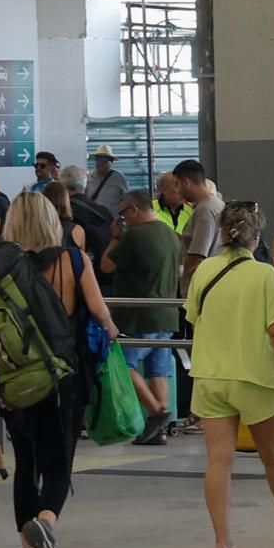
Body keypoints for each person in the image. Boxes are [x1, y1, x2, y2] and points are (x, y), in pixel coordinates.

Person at [183, 201, 274, 548]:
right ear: (256, 238)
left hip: (210, 376)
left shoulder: (203, 270)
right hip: (257, 378)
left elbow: (194, 318)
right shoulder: (265, 275)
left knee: (219, 460)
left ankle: (222, 542)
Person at [0, 191, 118, 548]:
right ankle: (47, 522)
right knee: (59, 461)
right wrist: (112, 333)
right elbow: (99, 312)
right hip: (63, 376)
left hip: (15, 378)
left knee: (26, 464)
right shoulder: (73, 259)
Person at [101, 190, 183, 445]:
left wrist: (116, 237)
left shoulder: (134, 236)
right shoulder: (171, 234)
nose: (122, 219)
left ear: (134, 209)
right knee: (158, 370)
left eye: (123, 214)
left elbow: (106, 266)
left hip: (139, 316)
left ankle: (157, 412)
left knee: (123, 365)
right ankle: (158, 431)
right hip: (167, 313)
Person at [173, 159, 225, 284]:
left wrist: (178, 276)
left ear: (186, 182)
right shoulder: (216, 204)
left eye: (177, 184)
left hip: (202, 284)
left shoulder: (205, 210)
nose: (177, 190)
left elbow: (197, 255)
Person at [60, 165, 114, 271]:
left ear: (62, 187)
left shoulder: (65, 214)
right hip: (107, 268)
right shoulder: (104, 211)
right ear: (85, 186)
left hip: (82, 270)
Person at [85, 146, 129, 214]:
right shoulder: (88, 178)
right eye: (98, 159)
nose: (100, 162)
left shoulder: (119, 178)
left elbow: (125, 199)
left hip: (112, 218)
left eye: (104, 160)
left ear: (111, 162)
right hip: (92, 218)